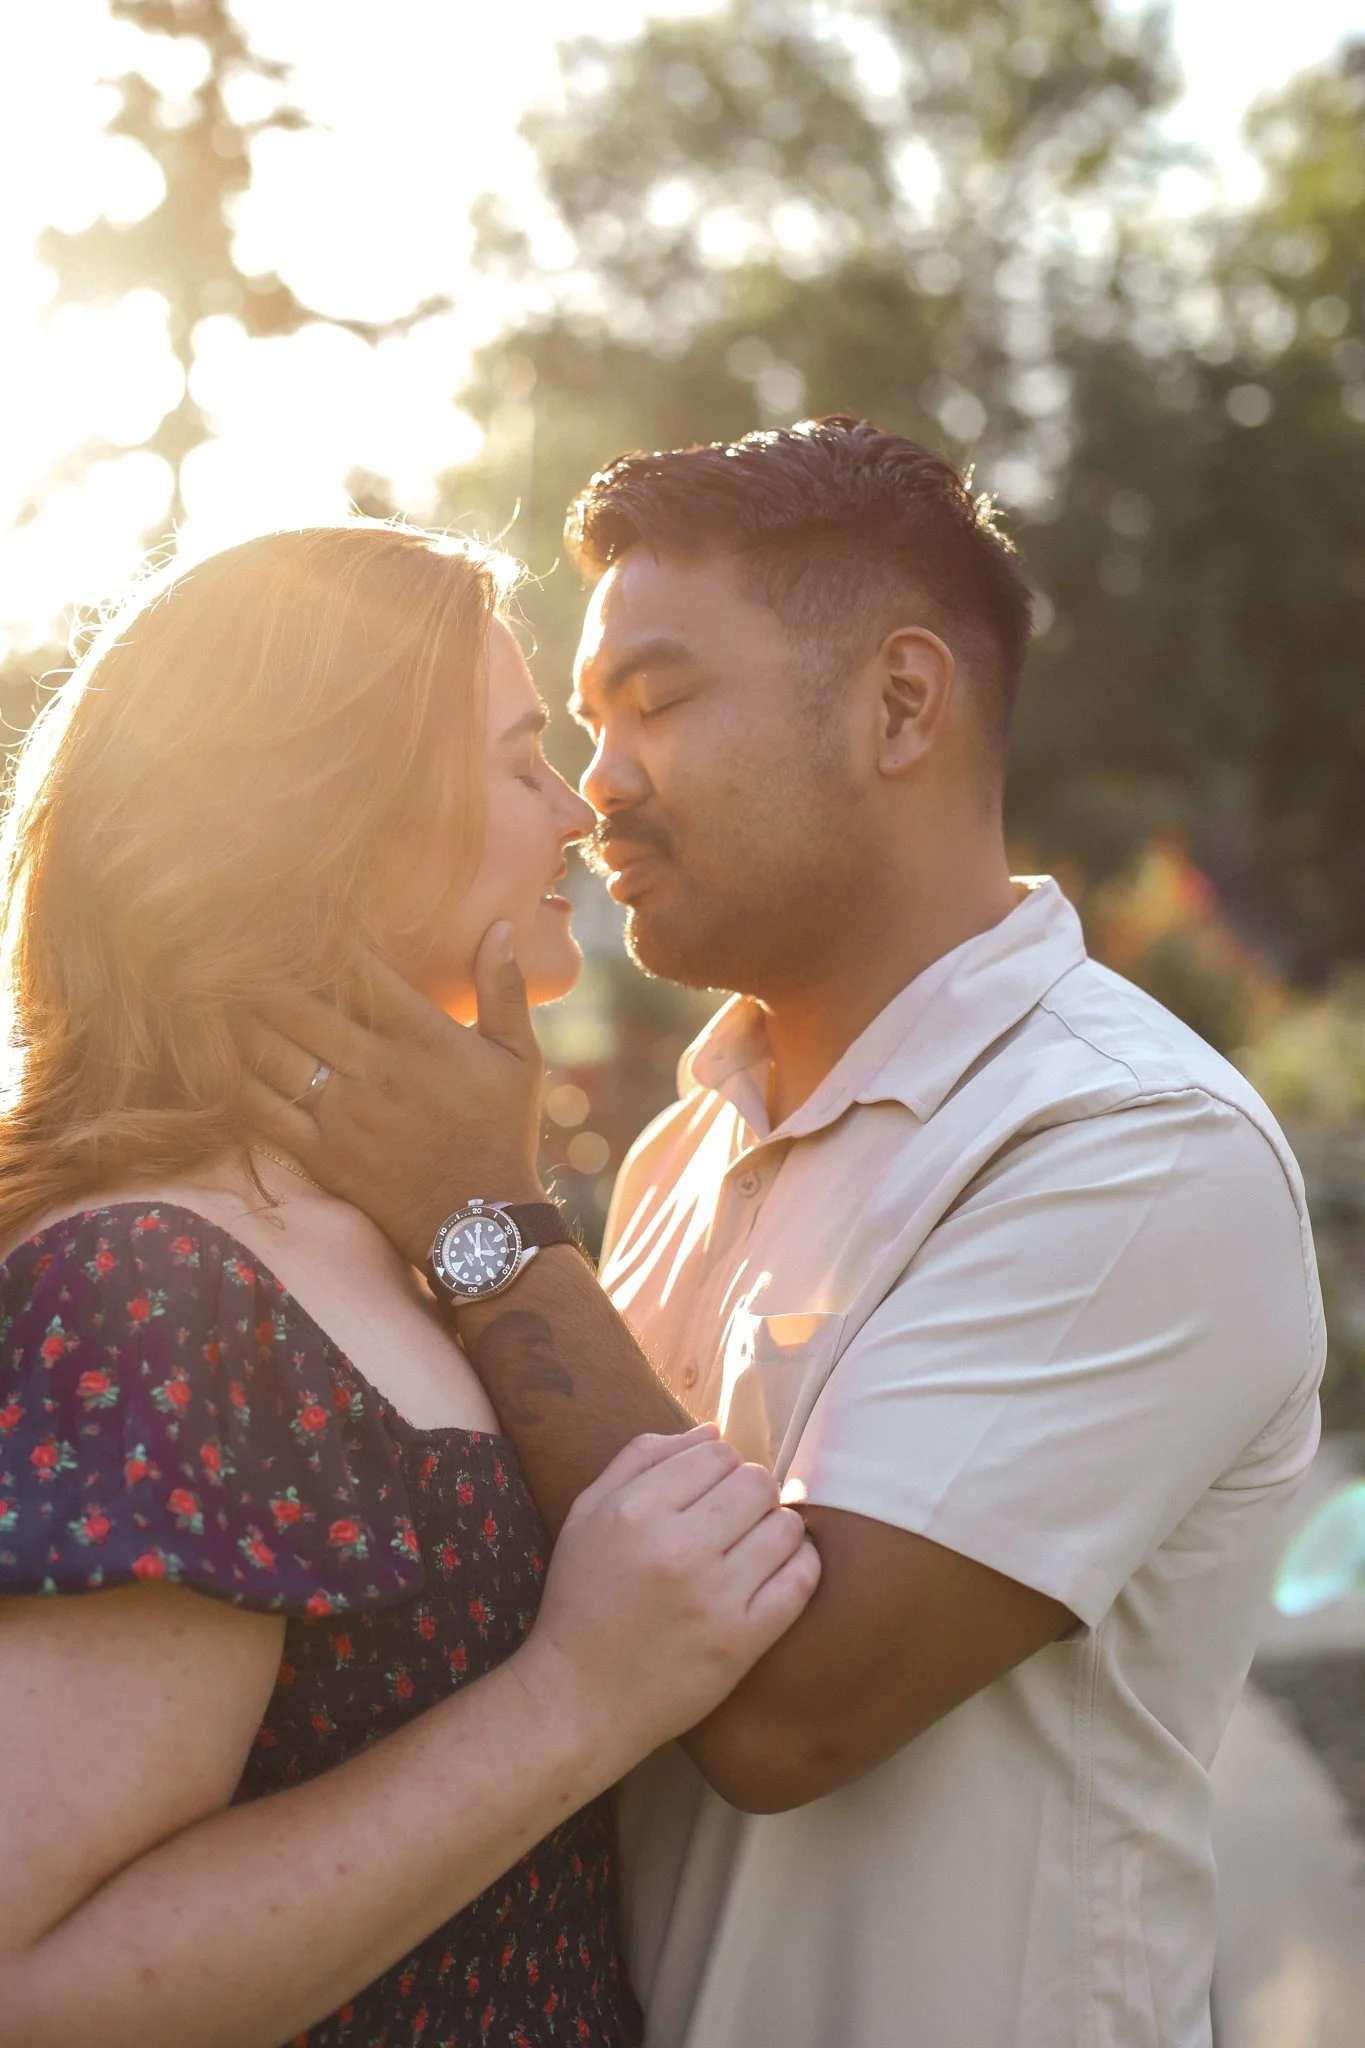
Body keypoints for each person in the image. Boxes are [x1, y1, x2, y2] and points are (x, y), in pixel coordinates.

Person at [248, 419, 1325, 2048]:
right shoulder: (693, 1137)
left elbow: (786, 1706)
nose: (595, 786)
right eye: (583, 724)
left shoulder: (1129, 1149)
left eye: (658, 704)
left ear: (902, 701)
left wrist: (475, 1218)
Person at [0, 524, 821, 2048]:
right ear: (329, 820)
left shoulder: (383, 1230)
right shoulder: (156, 1283)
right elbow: (35, 1985)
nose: (578, 809)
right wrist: (576, 1700)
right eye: (522, 762)